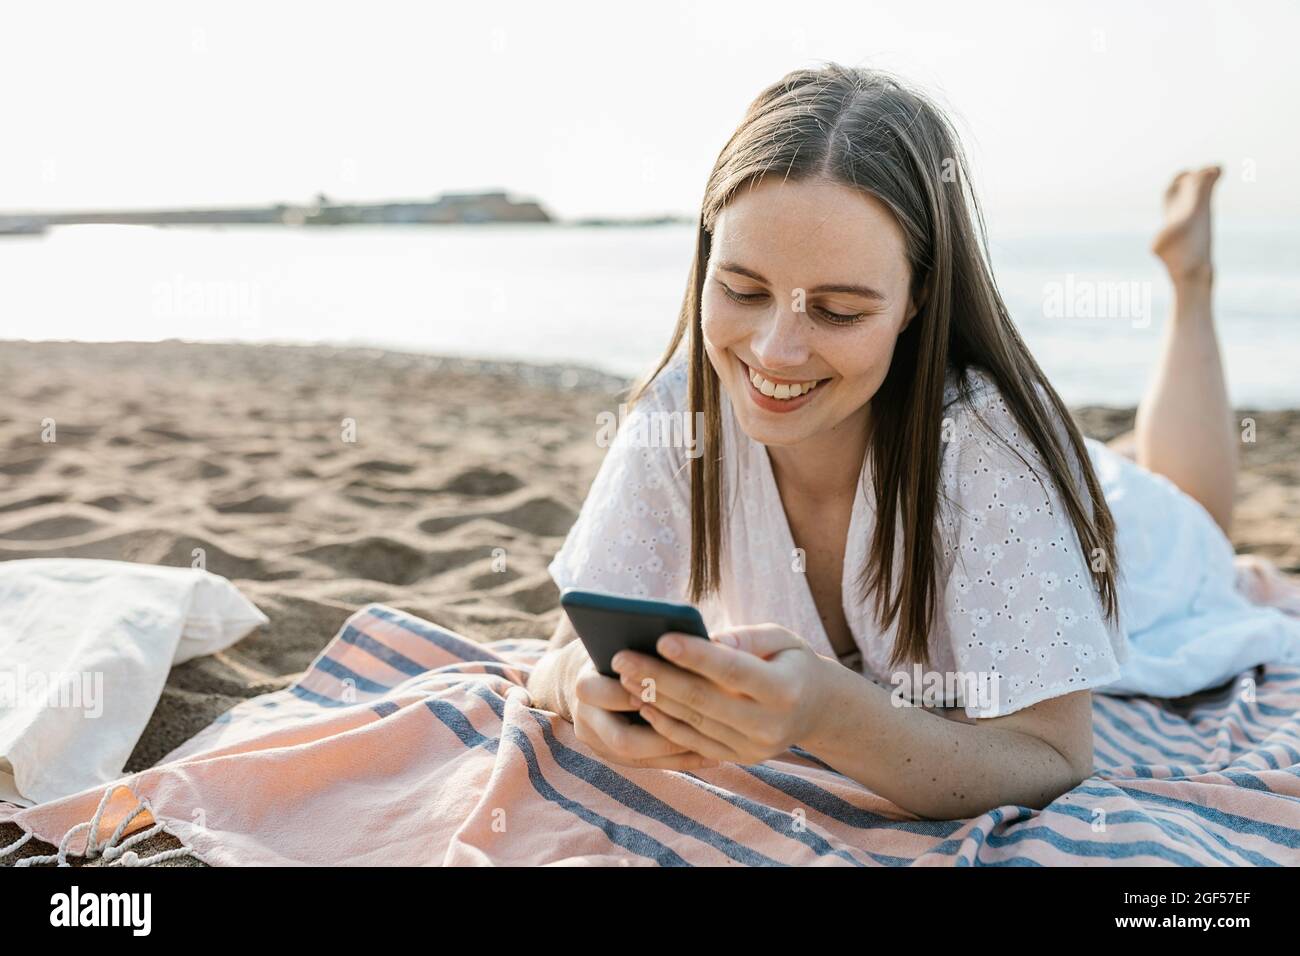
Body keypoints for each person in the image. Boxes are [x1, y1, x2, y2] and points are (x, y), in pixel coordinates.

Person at [526, 63, 1300, 820]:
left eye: (837, 310)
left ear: (917, 299)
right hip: (1009, 493)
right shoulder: (683, 406)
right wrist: (580, 693)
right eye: (742, 289)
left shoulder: (992, 446)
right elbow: (560, 654)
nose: (772, 353)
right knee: (1119, 471)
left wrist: (831, 715)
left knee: (1195, 516)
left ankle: (1190, 282)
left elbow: (1055, 758)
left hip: (1115, 540)